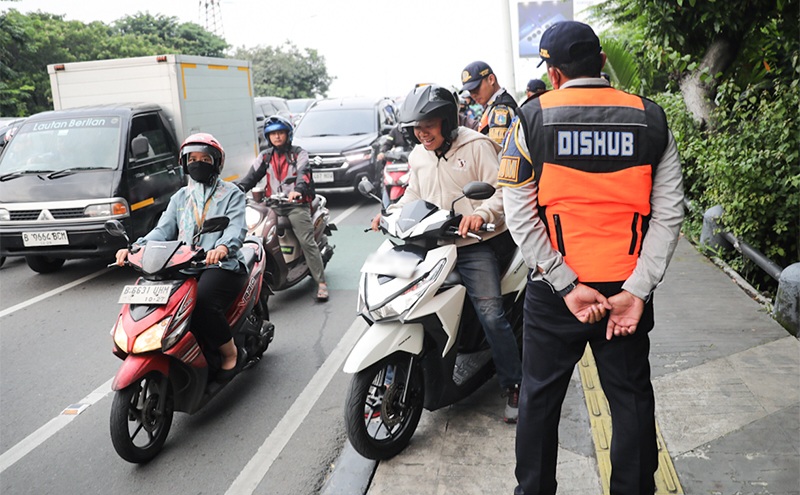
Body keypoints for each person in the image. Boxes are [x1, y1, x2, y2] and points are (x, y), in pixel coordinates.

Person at [498, 21, 685, 495]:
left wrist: (565, 283)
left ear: (554, 74)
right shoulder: (651, 118)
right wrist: (637, 291)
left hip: (555, 295)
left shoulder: (530, 119)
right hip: (625, 294)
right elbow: (669, 214)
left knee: (539, 402)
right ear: (602, 62)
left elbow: (520, 216)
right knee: (631, 400)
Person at [371, 84, 523, 423]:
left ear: (447, 122)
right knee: (402, 301)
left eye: (429, 125)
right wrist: (390, 213)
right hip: (433, 244)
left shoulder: (477, 145)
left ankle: (514, 383)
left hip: (474, 244)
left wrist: (481, 214)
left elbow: (502, 190)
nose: (422, 133)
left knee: (491, 313)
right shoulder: (418, 155)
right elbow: (414, 194)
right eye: (417, 127)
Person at [115, 133, 249, 382]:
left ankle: (230, 353)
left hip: (221, 264)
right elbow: (162, 230)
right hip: (185, 265)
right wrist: (135, 248)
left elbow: (236, 227)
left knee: (204, 302)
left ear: (217, 162)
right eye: (192, 159)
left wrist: (222, 247)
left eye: (205, 159)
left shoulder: (231, 193)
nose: (198, 163)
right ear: (185, 163)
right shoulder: (180, 197)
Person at [235, 115, 329, 301]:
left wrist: (298, 190)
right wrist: (234, 191)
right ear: (268, 137)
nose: (277, 137)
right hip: (272, 205)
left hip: (296, 205)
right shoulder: (265, 156)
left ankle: (321, 283)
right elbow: (251, 178)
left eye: (280, 133)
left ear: (288, 134)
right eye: (273, 134)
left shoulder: (299, 154)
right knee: (254, 235)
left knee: (306, 241)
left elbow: (304, 174)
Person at [459, 61, 518, 145]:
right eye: (470, 91)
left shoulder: (500, 109)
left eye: (476, 88)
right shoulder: (492, 105)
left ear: (491, 79)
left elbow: (497, 149)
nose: (473, 95)